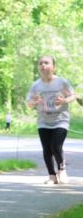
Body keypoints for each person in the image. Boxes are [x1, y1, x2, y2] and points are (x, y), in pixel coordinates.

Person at [26, 55, 76, 184]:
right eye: (40, 63)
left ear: (53, 67)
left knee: (55, 145)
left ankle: (62, 169)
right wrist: (33, 101)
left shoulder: (61, 82)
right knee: (47, 149)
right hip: (43, 121)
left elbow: (73, 95)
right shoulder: (36, 85)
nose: (43, 65)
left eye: (46, 63)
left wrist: (64, 100)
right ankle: (52, 176)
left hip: (61, 120)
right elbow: (29, 103)